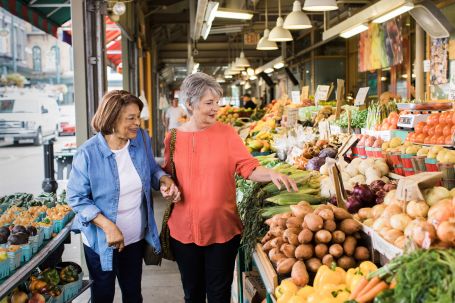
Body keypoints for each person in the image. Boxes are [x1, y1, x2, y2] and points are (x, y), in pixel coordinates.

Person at [163, 72, 297, 303]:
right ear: (190, 104)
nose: (216, 108)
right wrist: (166, 186)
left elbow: (248, 167)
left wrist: (272, 174)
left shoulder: (226, 133)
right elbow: (167, 175)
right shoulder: (172, 137)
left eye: (217, 102)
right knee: (192, 294)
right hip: (183, 231)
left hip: (222, 229)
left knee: (219, 295)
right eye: (209, 103)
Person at [67, 90, 181, 303]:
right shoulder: (87, 154)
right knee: (102, 295)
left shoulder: (141, 140)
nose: (138, 122)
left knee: (133, 294)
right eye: (131, 118)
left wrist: (164, 179)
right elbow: (76, 198)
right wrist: (108, 226)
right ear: (112, 118)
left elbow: (151, 169)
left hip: (135, 238)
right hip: (101, 241)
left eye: (138, 116)